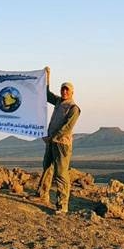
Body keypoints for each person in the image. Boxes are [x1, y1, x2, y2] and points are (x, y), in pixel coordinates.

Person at [37, 66, 81, 214]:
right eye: (63, 89)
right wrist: (47, 76)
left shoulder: (74, 108)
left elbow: (66, 128)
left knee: (61, 174)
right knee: (47, 168)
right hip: (51, 142)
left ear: (72, 92)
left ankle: (62, 205)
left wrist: (52, 138)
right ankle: (42, 195)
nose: (64, 91)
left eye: (67, 89)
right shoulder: (58, 102)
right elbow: (46, 94)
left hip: (62, 144)